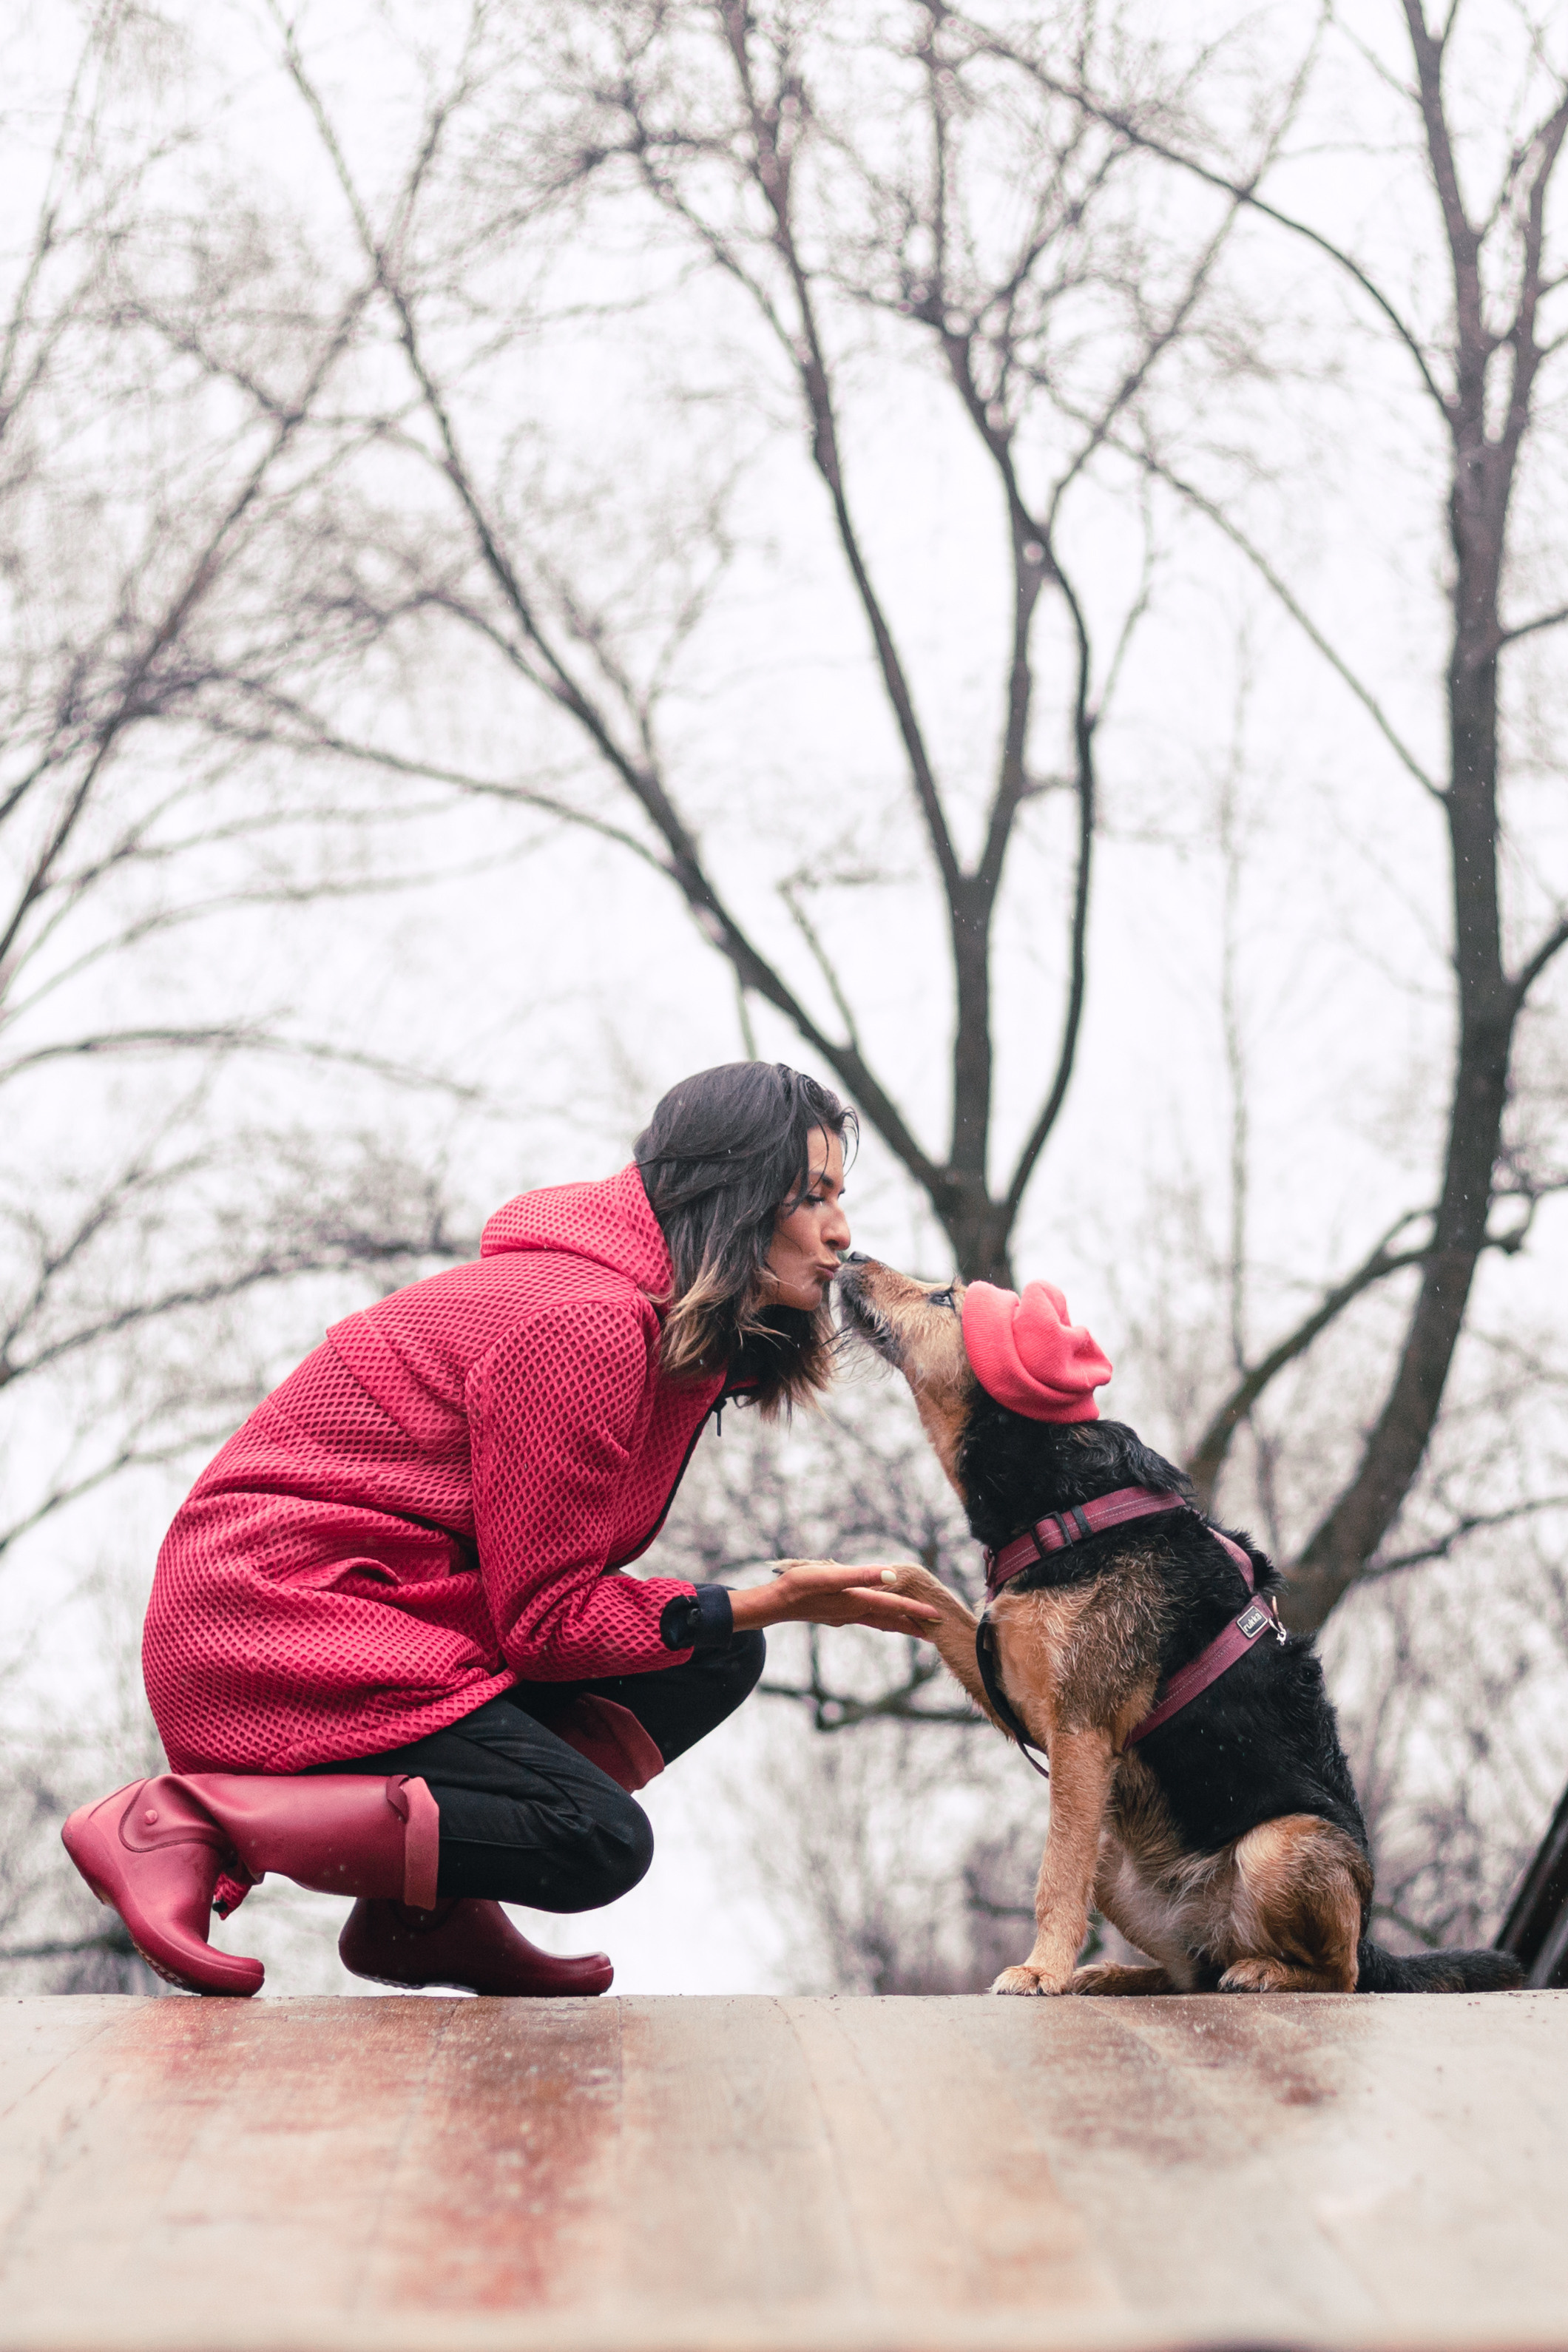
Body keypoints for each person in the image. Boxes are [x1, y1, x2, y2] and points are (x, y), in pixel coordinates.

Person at [62, 1063, 938, 1997]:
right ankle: (185, 1820)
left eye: (840, 1196)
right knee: (592, 1840)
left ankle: (425, 1913)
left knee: (714, 1655)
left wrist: (744, 1615)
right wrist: (771, 1600)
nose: (840, 1229)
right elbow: (547, 1625)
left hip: (387, 1612)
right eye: (812, 1196)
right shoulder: (586, 1324)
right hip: (271, 1617)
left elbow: (544, 1599)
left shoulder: (646, 1326)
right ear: (736, 1193)